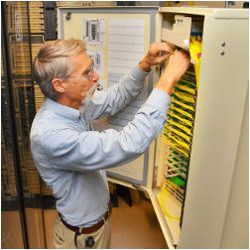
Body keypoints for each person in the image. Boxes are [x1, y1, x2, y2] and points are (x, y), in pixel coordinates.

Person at [30, 38, 190, 249]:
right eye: (87, 73)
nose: (95, 77)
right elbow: (128, 143)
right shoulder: (51, 135)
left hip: (95, 227)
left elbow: (114, 98)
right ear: (59, 84)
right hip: (83, 239)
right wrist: (168, 79)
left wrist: (145, 64)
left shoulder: (76, 103)